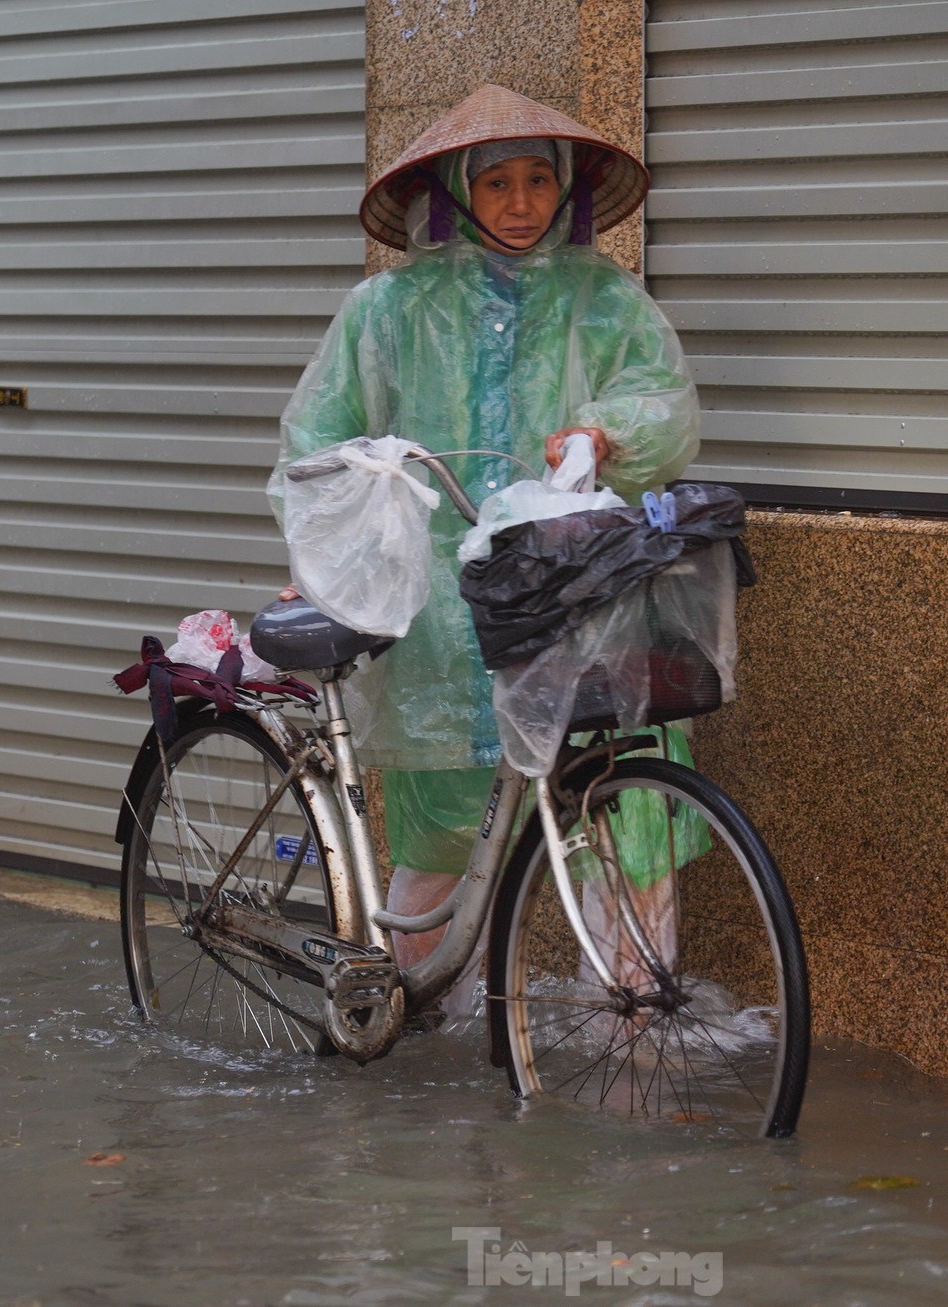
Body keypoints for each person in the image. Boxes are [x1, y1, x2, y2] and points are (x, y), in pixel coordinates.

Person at [268, 85, 700, 1007]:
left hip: (581, 592)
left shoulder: (607, 299)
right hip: (442, 624)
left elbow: (663, 403)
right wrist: (363, 498)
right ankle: (407, 1013)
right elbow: (317, 442)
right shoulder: (387, 310)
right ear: (458, 192)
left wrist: (603, 433)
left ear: (566, 188)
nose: (518, 202)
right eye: (496, 180)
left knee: (626, 807)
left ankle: (637, 1027)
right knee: (441, 827)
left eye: (538, 179)